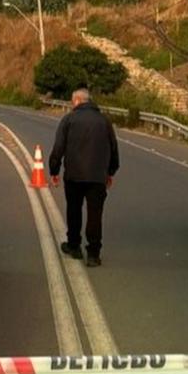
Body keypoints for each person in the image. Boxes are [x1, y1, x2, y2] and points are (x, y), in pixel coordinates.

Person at [48, 87, 119, 267]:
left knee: (74, 210)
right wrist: (110, 172)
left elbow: (58, 149)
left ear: (77, 101)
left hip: (74, 175)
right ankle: (94, 253)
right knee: (95, 214)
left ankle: (74, 246)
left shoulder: (69, 120)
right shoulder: (104, 121)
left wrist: (54, 171)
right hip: (97, 176)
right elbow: (113, 149)